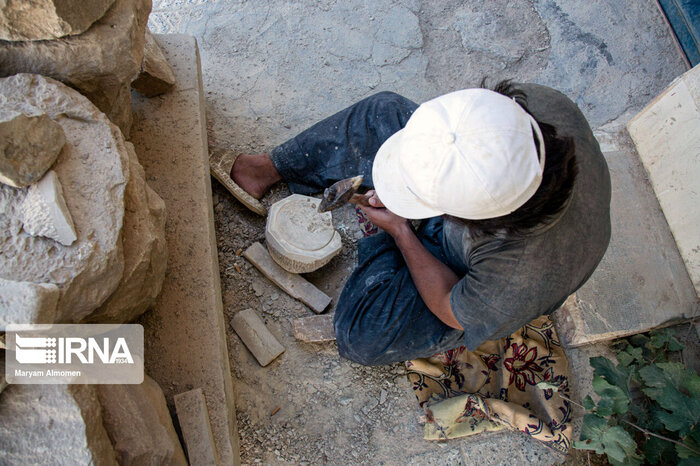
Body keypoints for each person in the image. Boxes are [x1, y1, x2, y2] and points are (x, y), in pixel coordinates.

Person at [230, 81, 611, 366]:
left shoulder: (515, 278)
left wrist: (399, 231)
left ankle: (389, 237)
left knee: (362, 335)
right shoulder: (528, 111)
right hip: (475, 212)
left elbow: (449, 307)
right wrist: (411, 177)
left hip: (465, 269)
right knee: (383, 113)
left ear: (474, 219)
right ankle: (262, 169)